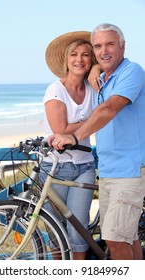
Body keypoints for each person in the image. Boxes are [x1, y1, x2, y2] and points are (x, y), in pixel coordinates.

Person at [48, 23, 145, 260]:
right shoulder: (102, 78)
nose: (104, 51)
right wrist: (94, 68)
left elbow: (109, 109)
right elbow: (100, 64)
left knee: (114, 237)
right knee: (128, 236)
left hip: (130, 169)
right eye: (98, 46)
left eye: (110, 44)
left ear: (123, 45)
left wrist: (73, 137)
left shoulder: (132, 72)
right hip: (108, 169)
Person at [39, 31, 101, 260]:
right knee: (55, 228)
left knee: (79, 227)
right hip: (56, 166)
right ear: (66, 59)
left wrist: (97, 69)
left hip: (84, 165)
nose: (80, 59)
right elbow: (60, 129)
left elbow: (112, 68)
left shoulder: (94, 87)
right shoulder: (55, 90)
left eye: (86, 55)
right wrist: (94, 121)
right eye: (74, 54)